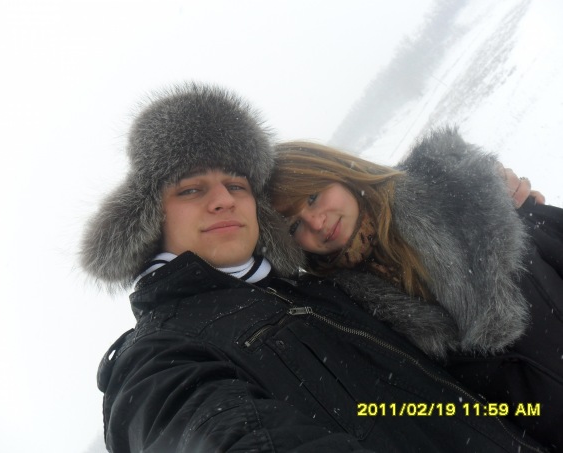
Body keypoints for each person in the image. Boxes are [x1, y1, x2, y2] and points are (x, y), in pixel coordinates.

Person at [81, 83, 547, 452]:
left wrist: (477, 196)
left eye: (237, 185)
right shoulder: (158, 354)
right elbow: (195, 424)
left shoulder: (322, 290)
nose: (223, 199)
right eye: (191, 189)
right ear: (151, 217)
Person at [268, 135, 563, 450]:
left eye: (313, 197)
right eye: (294, 226)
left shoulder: (461, 189)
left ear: (337, 171)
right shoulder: (350, 315)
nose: (316, 223)